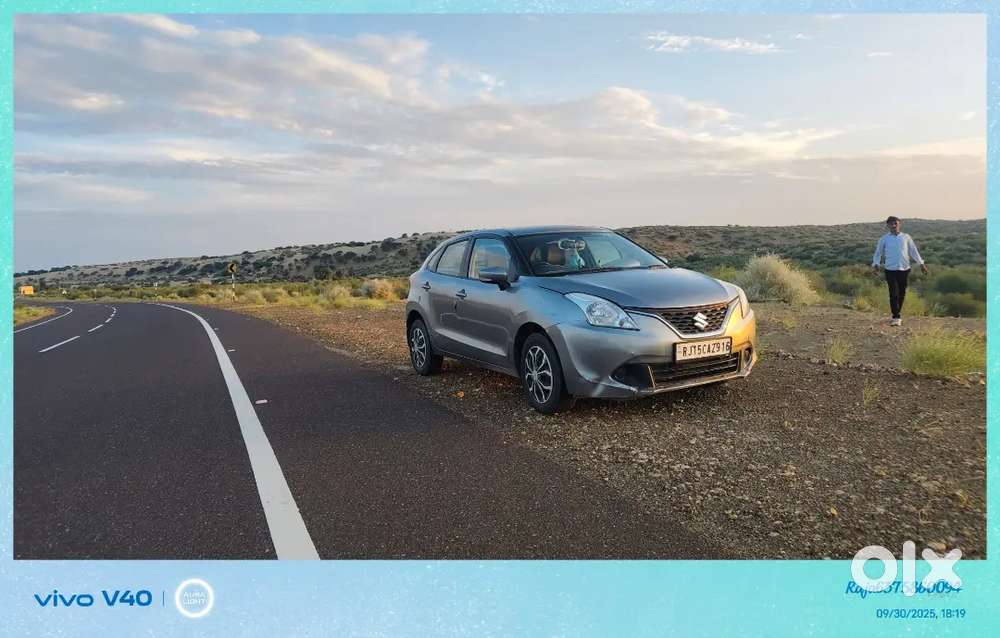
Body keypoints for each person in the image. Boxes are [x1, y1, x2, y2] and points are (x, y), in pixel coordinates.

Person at [871, 216, 929, 326]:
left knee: (902, 292)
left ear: (899, 224)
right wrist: (876, 264)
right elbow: (878, 252)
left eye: (895, 224)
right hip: (890, 269)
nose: (893, 226)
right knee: (893, 293)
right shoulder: (884, 239)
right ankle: (896, 317)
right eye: (891, 224)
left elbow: (913, 251)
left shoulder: (906, 237)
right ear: (888, 226)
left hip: (904, 269)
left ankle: (898, 313)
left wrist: (921, 264)